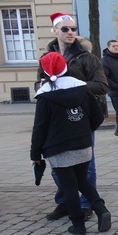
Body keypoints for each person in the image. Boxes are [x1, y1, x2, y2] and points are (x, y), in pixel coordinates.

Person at [37, 12, 109, 222]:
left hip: (80, 118)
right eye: (66, 29)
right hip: (55, 121)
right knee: (56, 164)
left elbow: (102, 86)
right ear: (55, 31)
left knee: (87, 165)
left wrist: (72, 87)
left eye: (74, 29)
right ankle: (66, 202)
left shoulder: (86, 57)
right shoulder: (46, 57)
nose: (71, 33)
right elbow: (40, 82)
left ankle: (86, 204)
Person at [31, 53, 111, 235]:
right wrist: (83, 130)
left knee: (69, 186)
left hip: (58, 147)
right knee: (82, 180)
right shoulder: (82, 88)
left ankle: (78, 225)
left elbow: (39, 128)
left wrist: (34, 155)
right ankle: (101, 209)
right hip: (83, 144)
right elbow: (98, 116)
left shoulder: (45, 95)